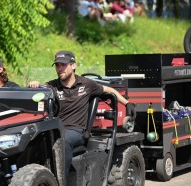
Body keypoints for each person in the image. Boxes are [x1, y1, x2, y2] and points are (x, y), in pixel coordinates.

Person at [28, 50, 136, 181]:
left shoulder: (86, 84)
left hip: (76, 131)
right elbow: (39, 92)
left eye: (63, 65)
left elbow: (110, 90)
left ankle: (61, 182)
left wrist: (127, 103)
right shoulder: (52, 86)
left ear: (73, 65)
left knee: (62, 140)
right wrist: (34, 86)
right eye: (57, 65)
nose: (60, 68)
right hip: (55, 129)